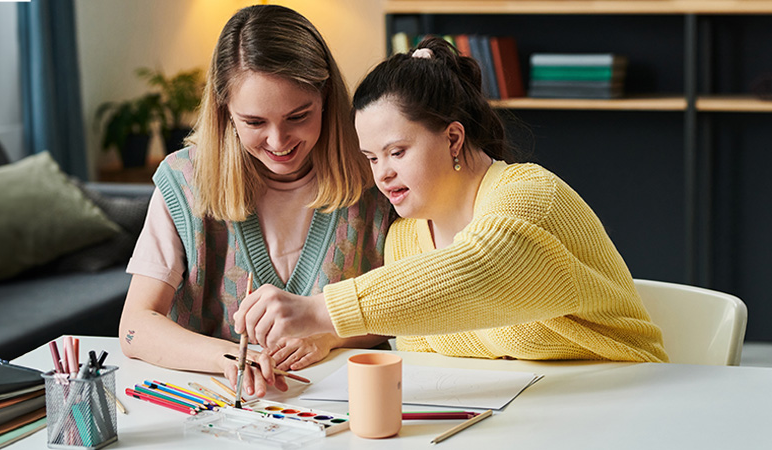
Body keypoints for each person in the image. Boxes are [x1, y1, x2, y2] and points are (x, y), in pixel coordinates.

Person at [235, 37, 668, 363]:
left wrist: (320, 311)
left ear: (453, 137)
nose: (381, 173)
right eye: (371, 157)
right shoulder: (404, 240)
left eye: (397, 152)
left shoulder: (529, 195)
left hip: (634, 401)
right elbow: (428, 364)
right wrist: (328, 338)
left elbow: (480, 270)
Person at [119, 4, 395, 397]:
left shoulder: (375, 173)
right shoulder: (184, 181)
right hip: (217, 406)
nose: (279, 142)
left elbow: (411, 306)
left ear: (326, 97)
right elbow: (135, 327)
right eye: (254, 123)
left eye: (299, 116)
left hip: (347, 402)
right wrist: (227, 357)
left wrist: (330, 337)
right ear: (225, 111)